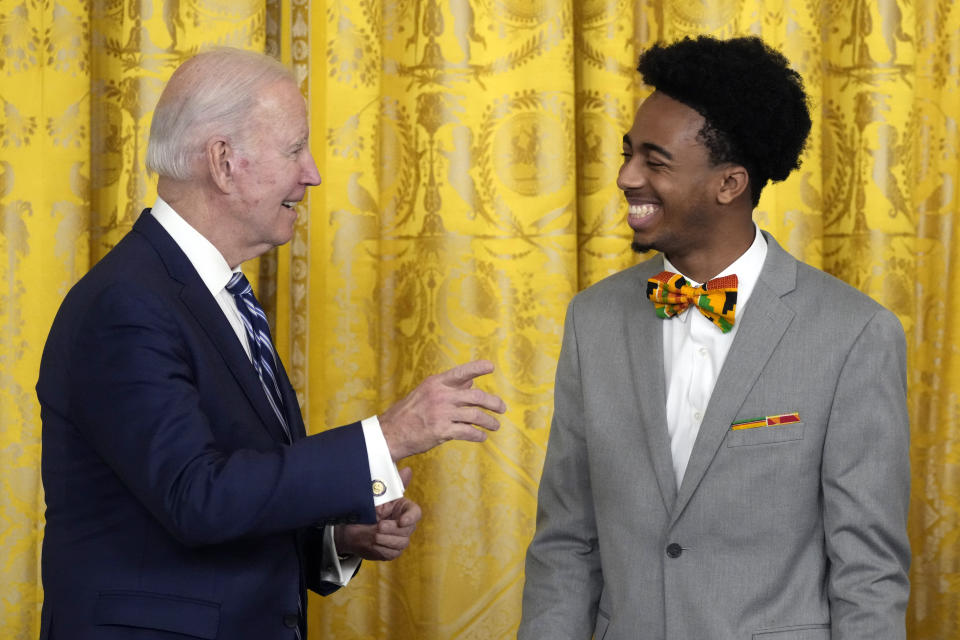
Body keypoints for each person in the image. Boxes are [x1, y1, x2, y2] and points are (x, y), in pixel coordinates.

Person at [36, 48, 507, 640]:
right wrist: (388, 435)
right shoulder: (126, 305)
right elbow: (196, 497)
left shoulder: (218, 295)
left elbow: (232, 489)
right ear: (224, 162)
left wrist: (335, 539)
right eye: (294, 150)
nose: (311, 174)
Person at [519, 35, 910, 640]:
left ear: (730, 184)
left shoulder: (854, 333)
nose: (625, 177)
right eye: (628, 154)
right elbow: (567, 540)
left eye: (655, 161)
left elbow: (868, 573)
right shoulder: (591, 320)